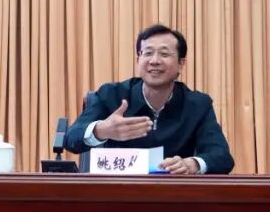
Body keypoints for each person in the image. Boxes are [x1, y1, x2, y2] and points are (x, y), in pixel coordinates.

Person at [64, 24, 234, 174]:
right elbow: (71, 138)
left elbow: (222, 157)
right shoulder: (111, 95)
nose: (154, 61)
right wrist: (101, 130)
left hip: (173, 193)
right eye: (148, 53)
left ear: (181, 64)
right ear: (138, 60)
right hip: (118, 191)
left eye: (164, 54)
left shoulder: (198, 105)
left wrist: (193, 164)